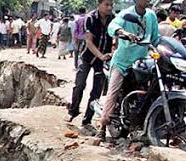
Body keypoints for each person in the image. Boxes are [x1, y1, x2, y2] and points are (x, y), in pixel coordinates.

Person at [100, 0, 160, 141]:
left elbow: (156, 38)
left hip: (142, 62)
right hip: (123, 61)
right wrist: (123, 33)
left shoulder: (151, 15)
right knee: (113, 91)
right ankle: (101, 128)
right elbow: (113, 26)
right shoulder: (126, 14)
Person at [66, 0, 114, 132]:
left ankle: (87, 119)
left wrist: (112, 53)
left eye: (111, 5)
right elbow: (89, 41)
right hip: (87, 57)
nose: (109, 8)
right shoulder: (90, 18)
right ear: (99, 4)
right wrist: (101, 55)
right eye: (107, 5)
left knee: (97, 91)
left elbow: (116, 39)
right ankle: (73, 111)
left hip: (103, 61)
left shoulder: (114, 19)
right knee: (80, 84)